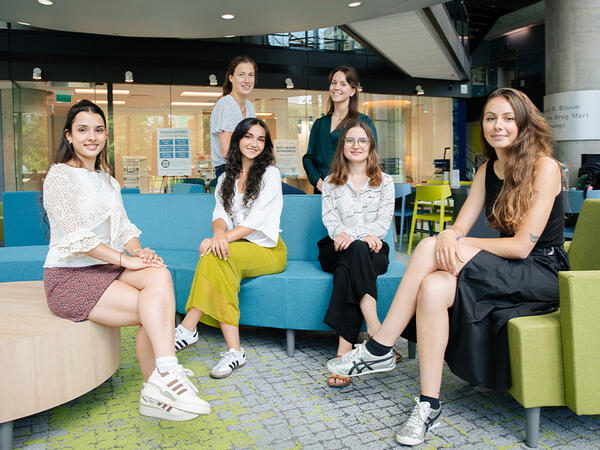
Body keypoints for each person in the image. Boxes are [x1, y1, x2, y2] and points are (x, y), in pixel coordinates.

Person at [326, 88, 569, 445]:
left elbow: (520, 247)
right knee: (432, 287)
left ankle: (379, 347)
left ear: (524, 123)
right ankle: (429, 406)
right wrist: (451, 235)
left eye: (507, 118)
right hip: (503, 266)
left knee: (427, 246)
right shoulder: (489, 170)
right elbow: (459, 225)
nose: (497, 125)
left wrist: (454, 241)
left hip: (540, 272)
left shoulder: (545, 167)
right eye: (490, 118)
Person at [42, 100, 210, 422]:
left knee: (158, 274)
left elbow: (122, 229)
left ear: (105, 136)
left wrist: (139, 252)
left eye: (98, 130)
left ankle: (159, 381)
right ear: (69, 136)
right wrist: (125, 260)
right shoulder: (59, 176)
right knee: (156, 308)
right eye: (83, 130)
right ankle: (163, 378)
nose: (92, 136)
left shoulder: (108, 181)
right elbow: (75, 235)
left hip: (105, 269)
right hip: (69, 276)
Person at [174, 117, 287, 379]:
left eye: (261, 139)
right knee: (216, 256)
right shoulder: (227, 177)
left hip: (268, 249)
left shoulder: (271, 174)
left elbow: (256, 220)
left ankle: (189, 327)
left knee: (217, 254)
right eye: (248, 136)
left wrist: (222, 240)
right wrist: (217, 234)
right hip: (237, 245)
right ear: (238, 139)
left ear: (265, 145)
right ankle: (234, 351)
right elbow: (220, 213)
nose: (254, 143)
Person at [319, 121, 395, 387]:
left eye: (362, 141)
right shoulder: (330, 182)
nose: (356, 146)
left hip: (372, 248)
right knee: (354, 252)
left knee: (347, 270)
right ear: (343, 147)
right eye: (350, 141)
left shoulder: (386, 182)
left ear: (370, 146)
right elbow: (330, 220)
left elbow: (384, 222)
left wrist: (360, 238)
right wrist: (349, 237)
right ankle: (376, 331)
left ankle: (344, 351)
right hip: (336, 246)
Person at [302, 65, 377, 194]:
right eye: (333, 83)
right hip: (323, 192)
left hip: (352, 191)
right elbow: (308, 158)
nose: (336, 88)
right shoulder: (320, 124)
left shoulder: (364, 122)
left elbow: (372, 157)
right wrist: (319, 183)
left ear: (353, 90)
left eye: (343, 84)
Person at [211, 55, 257, 179]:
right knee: (291, 194)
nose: (247, 80)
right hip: (229, 172)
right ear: (231, 77)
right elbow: (227, 152)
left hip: (248, 170)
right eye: (241, 75)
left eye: (251, 75)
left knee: (291, 193)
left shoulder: (249, 106)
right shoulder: (226, 104)